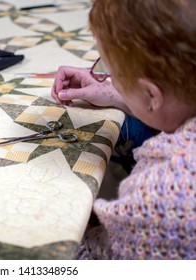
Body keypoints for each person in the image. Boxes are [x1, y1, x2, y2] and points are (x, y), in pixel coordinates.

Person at [51, 0, 196, 259]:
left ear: (152, 94)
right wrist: (119, 94)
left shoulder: (162, 197)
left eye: (109, 71)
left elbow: (90, 259)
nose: (108, 78)